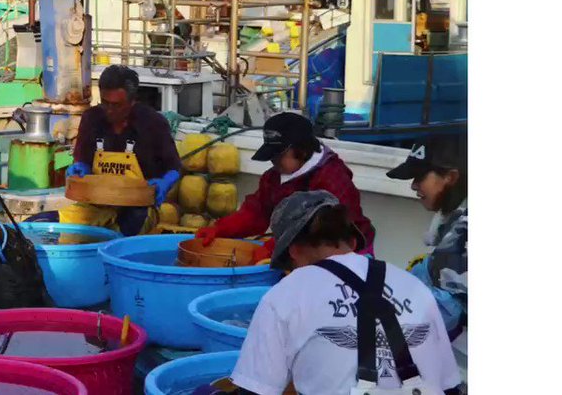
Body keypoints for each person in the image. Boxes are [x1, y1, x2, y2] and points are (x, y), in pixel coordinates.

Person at [228, 191, 462, 395]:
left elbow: (255, 390)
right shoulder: (414, 287)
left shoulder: (284, 296)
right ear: (351, 241)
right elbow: (449, 386)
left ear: (294, 251)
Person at [195, 111, 375, 263]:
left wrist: (272, 249)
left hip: (348, 253)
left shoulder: (332, 178)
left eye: (278, 155)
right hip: (303, 253)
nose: (273, 161)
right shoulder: (273, 178)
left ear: (302, 150)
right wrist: (220, 229)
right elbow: (256, 212)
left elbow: (321, 230)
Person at [386, 136, 468, 381]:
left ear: (451, 177)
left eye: (420, 177)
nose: (413, 185)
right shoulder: (453, 221)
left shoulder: (465, 232)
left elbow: (446, 310)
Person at [66, 65, 182, 236]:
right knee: (61, 228)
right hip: (96, 204)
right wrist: (80, 167)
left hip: (139, 206)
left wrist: (165, 182)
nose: (110, 110)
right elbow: (82, 159)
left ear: (132, 101)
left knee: (120, 238)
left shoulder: (153, 123)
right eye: (105, 103)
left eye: (117, 105)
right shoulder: (91, 119)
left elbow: (175, 167)